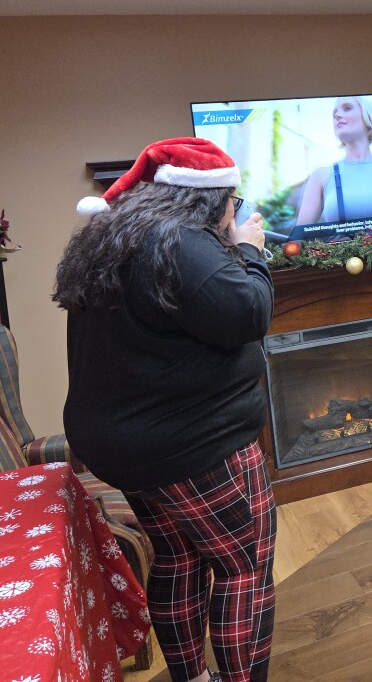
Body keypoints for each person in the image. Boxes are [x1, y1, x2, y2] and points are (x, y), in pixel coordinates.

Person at [54, 137, 276, 682]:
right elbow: (248, 312)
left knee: (178, 557)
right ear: (210, 200)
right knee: (244, 566)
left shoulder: (118, 235)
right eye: (233, 203)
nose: (234, 213)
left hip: (125, 445)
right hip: (194, 445)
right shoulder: (180, 241)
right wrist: (250, 250)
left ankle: (193, 678)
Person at [295, 95, 372, 227]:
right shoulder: (321, 175)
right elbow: (299, 236)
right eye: (334, 113)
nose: (337, 115)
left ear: (368, 117)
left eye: (347, 108)